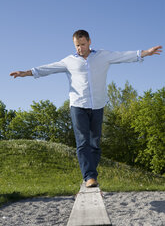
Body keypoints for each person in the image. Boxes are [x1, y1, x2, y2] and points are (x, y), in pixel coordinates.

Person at [10, 30, 162, 188]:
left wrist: (145, 53)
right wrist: (25, 73)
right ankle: (89, 176)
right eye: (77, 45)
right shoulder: (69, 61)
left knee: (95, 143)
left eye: (82, 44)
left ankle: (91, 172)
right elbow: (48, 68)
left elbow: (123, 56)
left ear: (89, 42)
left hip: (97, 105)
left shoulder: (103, 55)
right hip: (78, 105)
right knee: (83, 141)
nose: (80, 48)